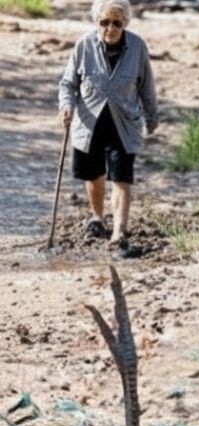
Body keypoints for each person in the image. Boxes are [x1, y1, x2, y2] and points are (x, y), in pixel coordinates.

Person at [57, 0, 158, 254]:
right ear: (96, 23)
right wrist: (66, 105)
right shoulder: (83, 45)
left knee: (122, 176)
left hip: (124, 121)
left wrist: (152, 116)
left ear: (125, 24)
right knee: (93, 173)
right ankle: (97, 217)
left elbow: (146, 85)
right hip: (89, 120)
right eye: (104, 22)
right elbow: (68, 83)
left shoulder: (137, 47)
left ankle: (118, 232)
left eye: (117, 23)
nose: (110, 28)